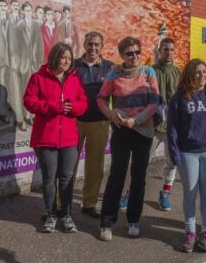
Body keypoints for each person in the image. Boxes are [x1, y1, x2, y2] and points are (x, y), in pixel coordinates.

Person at [96, 36, 159, 241]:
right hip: (121, 130)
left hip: (143, 131)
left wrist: (137, 120)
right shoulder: (114, 73)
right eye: (129, 53)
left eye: (137, 52)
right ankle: (107, 222)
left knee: (138, 177)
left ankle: (133, 220)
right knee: (117, 175)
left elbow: (154, 102)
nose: (134, 56)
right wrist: (110, 114)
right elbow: (101, 98)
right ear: (122, 55)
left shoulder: (149, 73)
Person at [23, 42, 87, 233]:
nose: (66, 61)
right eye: (63, 57)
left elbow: (82, 103)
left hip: (68, 139)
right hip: (46, 137)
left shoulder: (74, 79)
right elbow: (29, 101)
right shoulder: (38, 77)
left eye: (69, 58)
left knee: (66, 178)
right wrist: (53, 107)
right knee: (49, 179)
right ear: (55, 57)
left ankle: (66, 215)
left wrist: (72, 108)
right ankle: (50, 215)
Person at [166, 59, 206, 252]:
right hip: (188, 154)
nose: (201, 75)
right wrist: (175, 155)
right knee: (190, 193)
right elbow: (172, 129)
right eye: (197, 72)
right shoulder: (179, 97)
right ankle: (190, 232)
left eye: (204, 72)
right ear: (189, 75)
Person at [73, 32, 114, 219]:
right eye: (90, 44)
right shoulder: (73, 65)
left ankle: (89, 203)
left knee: (95, 167)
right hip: (74, 122)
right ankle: (60, 202)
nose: (93, 48)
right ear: (84, 44)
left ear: (102, 46)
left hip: (99, 122)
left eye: (97, 45)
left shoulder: (109, 68)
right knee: (67, 165)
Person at [151, 37, 180, 211]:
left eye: (171, 49)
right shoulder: (151, 71)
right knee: (141, 161)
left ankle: (165, 194)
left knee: (171, 162)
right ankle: (128, 193)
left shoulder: (178, 73)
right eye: (165, 49)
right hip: (152, 126)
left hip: (172, 128)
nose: (168, 52)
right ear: (160, 51)